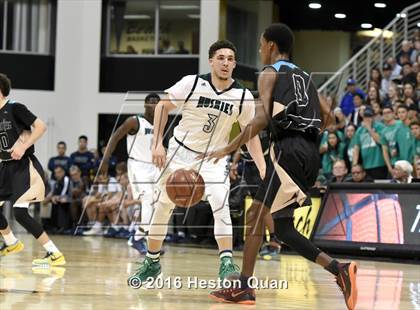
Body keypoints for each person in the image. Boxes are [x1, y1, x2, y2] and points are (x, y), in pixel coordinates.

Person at [202, 24, 357, 310]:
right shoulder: (306, 77)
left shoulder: (270, 73)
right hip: (309, 153)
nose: (260, 50)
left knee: (256, 213)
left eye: (261, 45)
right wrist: (306, 136)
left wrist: (228, 146)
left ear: (271, 45)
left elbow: (259, 120)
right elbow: (329, 117)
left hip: (288, 149)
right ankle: (339, 269)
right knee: (283, 228)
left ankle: (244, 288)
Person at [127, 40, 266, 286]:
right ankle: (151, 262)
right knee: (162, 207)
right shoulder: (192, 83)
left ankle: (226, 264)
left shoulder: (242, 96)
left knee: (221, 205)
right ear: (211, 61)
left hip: (212, 158)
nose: (225, 62)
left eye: (230, 58)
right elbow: (162, 106)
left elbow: (250, 135)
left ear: (235, 64)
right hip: (179, 155)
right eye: (220, 57)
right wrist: (157, 143)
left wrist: (264, 168)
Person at [0, 73, 65, 266]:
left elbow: (41, 127)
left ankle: (55, 254)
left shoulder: (15, 108)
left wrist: (23, 145)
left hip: (24, 167)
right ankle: (11, 242)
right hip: (6, 167)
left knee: (20, 213)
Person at [98, 93, 160, 254]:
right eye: (151, 102)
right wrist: (105, 160)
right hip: (137, 166)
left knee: (158, 205)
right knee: (147, 202)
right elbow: (115, 137)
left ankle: (139, 237)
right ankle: (139, 239)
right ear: (145, 105)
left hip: (154, 167)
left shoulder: (160, 125)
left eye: (157, 103)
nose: (154, 105)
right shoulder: (134, 121)